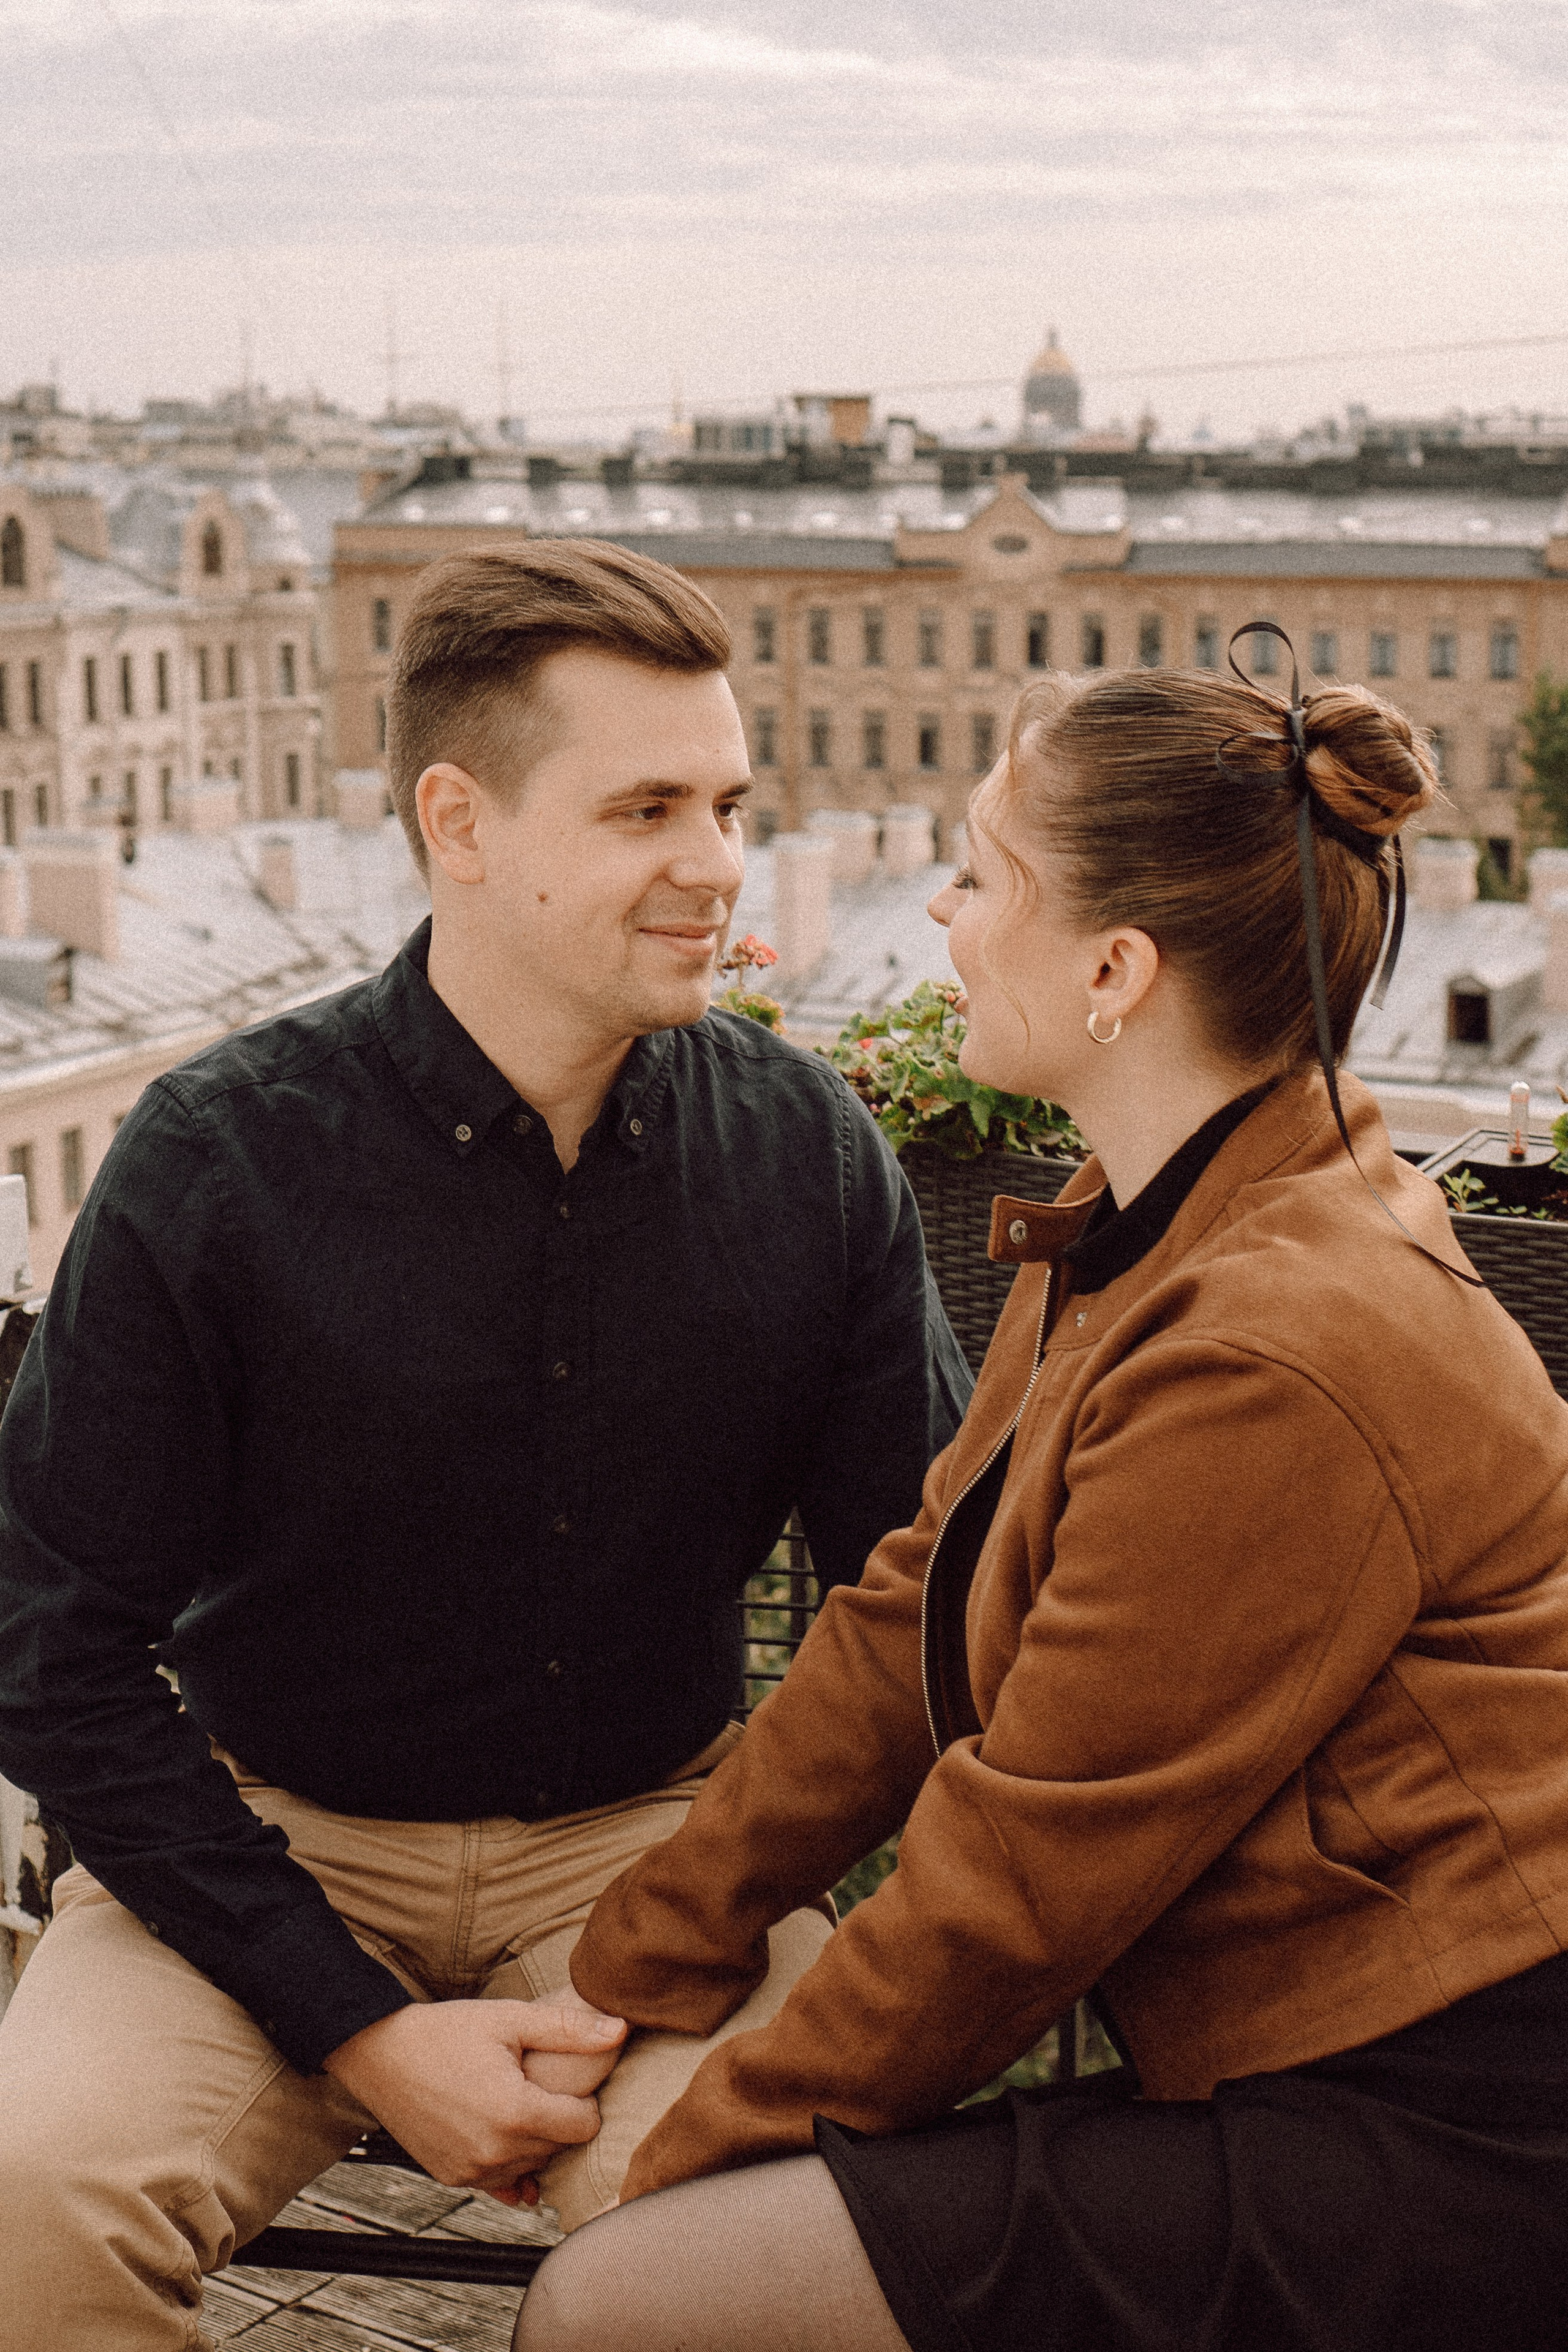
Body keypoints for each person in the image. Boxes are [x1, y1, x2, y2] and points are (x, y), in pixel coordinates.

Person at [516, 635, 1568, 2352]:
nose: (939, 912)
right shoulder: (1153, 1215)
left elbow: (1022, 1878)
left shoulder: (1277, 1343)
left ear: (1118, 969)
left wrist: (673, 2165)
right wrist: (622, 1977)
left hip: (1462, 2120)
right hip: (1312, 2053)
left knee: (623, 2303)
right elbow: (898, 1616)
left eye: (980, 871)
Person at [0, 543, 971, 2350]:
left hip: (662, 1850)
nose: (719, 862)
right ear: (460, 820)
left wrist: (725, 1897)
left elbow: (921, 1603)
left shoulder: (809, 1155)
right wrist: (355, 2022)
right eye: (646, 809)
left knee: (810, 2250)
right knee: (27, 2203)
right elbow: (52, 1657)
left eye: (732, 802)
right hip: (268, 1838)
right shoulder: (218, 1162)